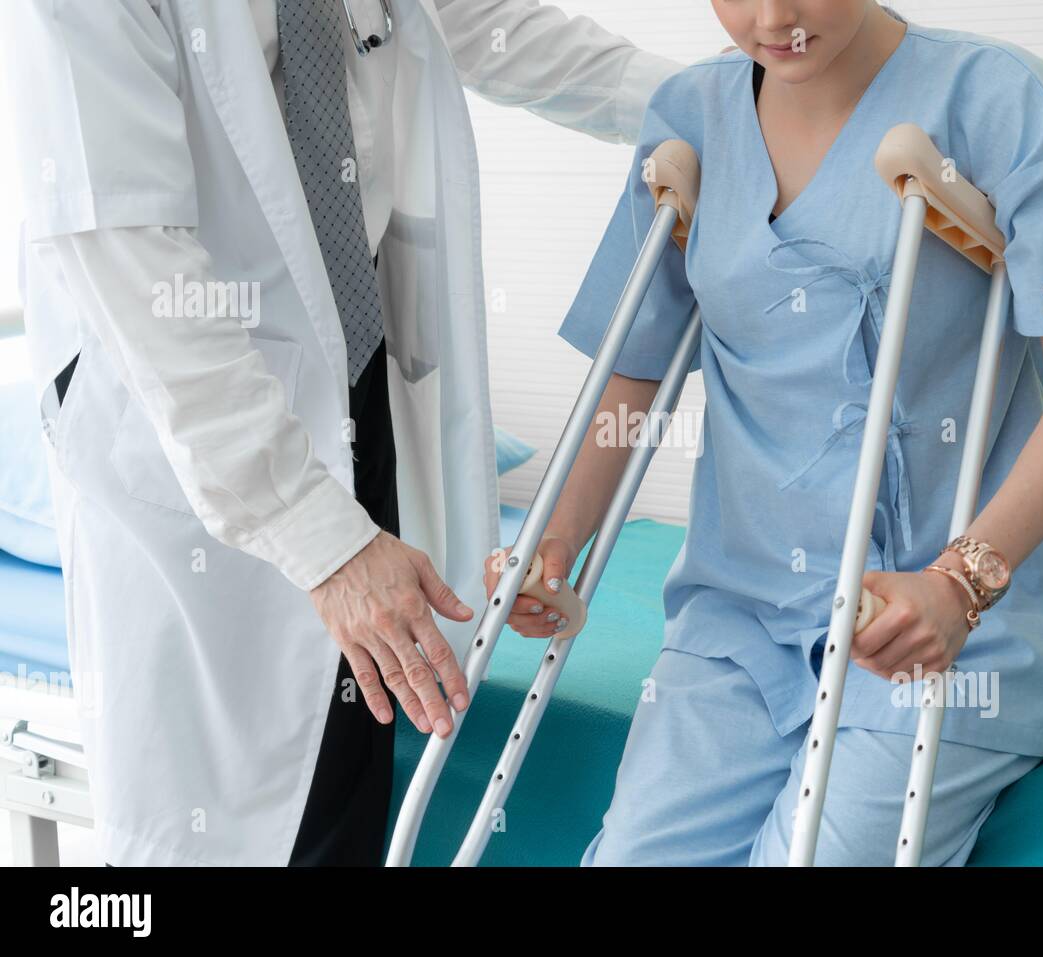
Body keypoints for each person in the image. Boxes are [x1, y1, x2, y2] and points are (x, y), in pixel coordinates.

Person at [5, 0, 681, 866]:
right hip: (198, 430)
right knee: (227, 821)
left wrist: (721, 96)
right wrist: (326, 545)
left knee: (350, 785)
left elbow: (481, 21)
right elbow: (129, 251)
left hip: (356, 376)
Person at [485, 0, 1043, 865]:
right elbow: (632, 370)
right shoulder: (691, 119)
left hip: (941, 627)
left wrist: (960, 583)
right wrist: (552, 545)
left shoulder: (1007, 102)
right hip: (738, 620)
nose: (774, 16)